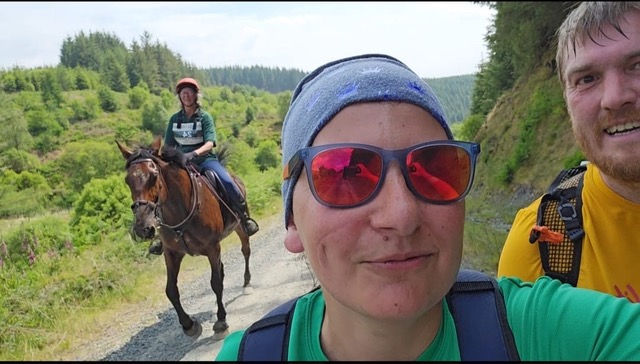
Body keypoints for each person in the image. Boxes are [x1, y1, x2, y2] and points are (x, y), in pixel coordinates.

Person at [215, 54, 640, 361]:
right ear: (291, 218)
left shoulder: (552, 333)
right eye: (345, 173)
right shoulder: (252, 355)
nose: (400, 215)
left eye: (433, 167)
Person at [497, 2, 640, 300]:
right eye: (586, 79)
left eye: (637, 65)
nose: (615, 98)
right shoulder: (538, 243)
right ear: (567, 104)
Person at [148, 77, 259, 255]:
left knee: (228, 182)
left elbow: (210, 143)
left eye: (189, 92)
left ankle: (244, 219)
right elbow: (167, 146)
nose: (186, 95)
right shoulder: (174, 120)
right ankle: (161, 237)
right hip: (180, 163)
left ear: (195, 95)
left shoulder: (204, 117)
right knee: (162, 191)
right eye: (183, 92)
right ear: (179, 96)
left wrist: (193, 154)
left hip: (205, 160)